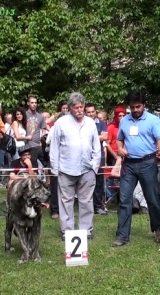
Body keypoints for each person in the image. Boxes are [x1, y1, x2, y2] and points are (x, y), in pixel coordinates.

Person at [112, 90, 160, 247]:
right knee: (124, 199)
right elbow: (120, 140)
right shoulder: (125, 121)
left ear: (144, 105)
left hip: (148, 163)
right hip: (128, 164)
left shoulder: (153, 120)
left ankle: (159, 229)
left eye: (138, 106)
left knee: (152, 199)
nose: (135, 110)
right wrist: (120, 149)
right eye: (132, 107)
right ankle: (122, 236)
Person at [50, 92, 101, 241]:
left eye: (81, 107)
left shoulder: (90, 122)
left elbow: (96, 146)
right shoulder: (61, 123)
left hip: (87, 169)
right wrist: (55, 169)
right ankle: (67, 232)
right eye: (76, 107)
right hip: (66, 169)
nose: (79, 110)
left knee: (86, 201)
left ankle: (86, 231)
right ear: (69, 108)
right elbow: (54, 148)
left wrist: (94, 166)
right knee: (66, 201)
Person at [85, 103, 108, 216]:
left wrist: (90, 137)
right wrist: (97, 136)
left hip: (99, 156)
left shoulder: (102, 123)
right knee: (86, 182)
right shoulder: (82, 123)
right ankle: (87, 207)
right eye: (88, 112)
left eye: (92, 111)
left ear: (95, 111)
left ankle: (98, 206)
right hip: (86, 156)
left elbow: (105, 137)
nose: (91, 114)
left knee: (99, 183)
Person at [26, 96, 48, 168]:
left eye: (35, 103)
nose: (34, 104)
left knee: (44, 165)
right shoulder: (24, 115)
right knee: (31, 165)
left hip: (38, 145)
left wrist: (42, 140)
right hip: (28, 145)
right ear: (28, 103)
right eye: (32, 103)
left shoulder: (40, 116)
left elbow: (43, 129)